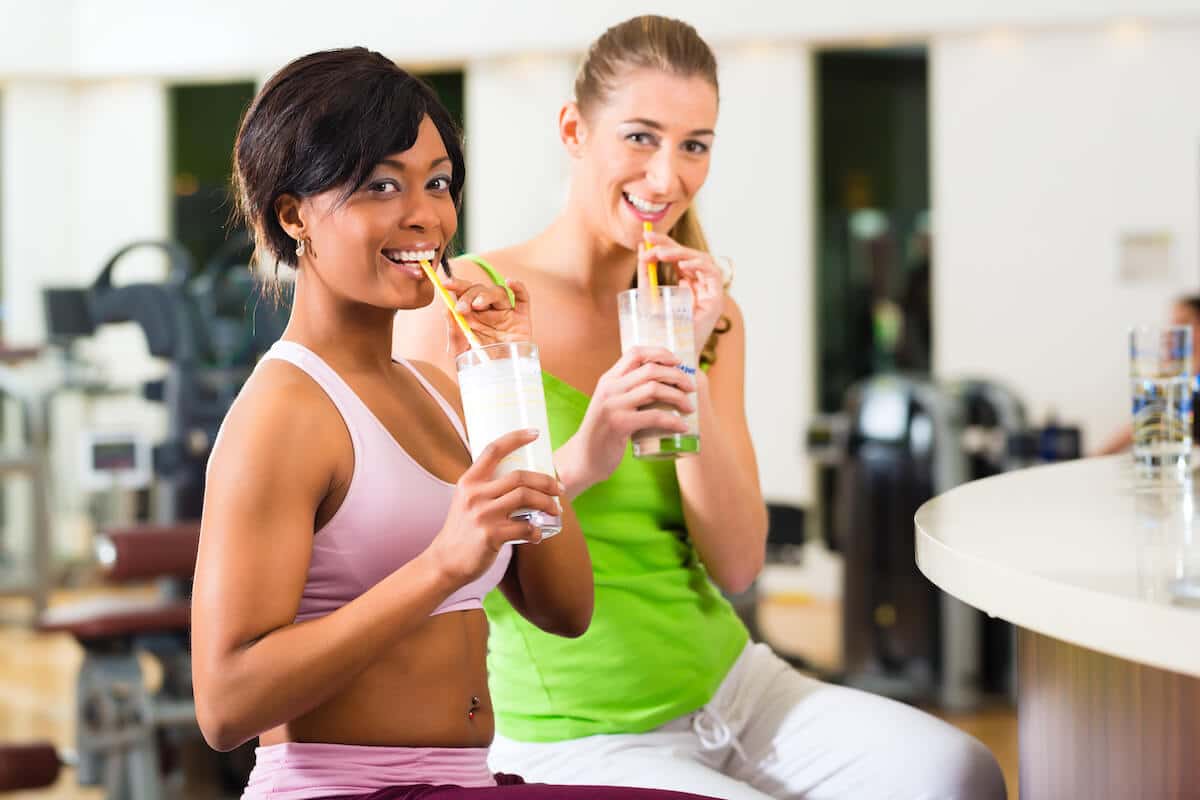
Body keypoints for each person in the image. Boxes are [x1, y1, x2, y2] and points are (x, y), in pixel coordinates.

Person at [394, 15, 1006, 800]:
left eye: (694, 144)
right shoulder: (464, 307)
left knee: (959, 772)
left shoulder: (705, 311)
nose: (666, 177)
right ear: (574, 130)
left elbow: (740, 560)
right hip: (581, 730)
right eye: (641, 138)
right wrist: (591, 448)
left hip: (735, 689)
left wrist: (692, 357)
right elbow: (435, 552)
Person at [191, 46, 718, 800]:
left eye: (438, 183)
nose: (426, 215)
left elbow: (566, 609)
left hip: (467, 779)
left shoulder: (441, 391)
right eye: (380, 184)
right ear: (293, 214)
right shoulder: (283, 411)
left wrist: (513, 378)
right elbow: (225, 704)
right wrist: (444, 563)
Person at [1097, 294, 1200, 456]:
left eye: (1183, 323)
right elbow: (1141, 424)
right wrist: (1094, 456)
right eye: (1173, 325)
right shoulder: (1173, 380)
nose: (1173, 334)